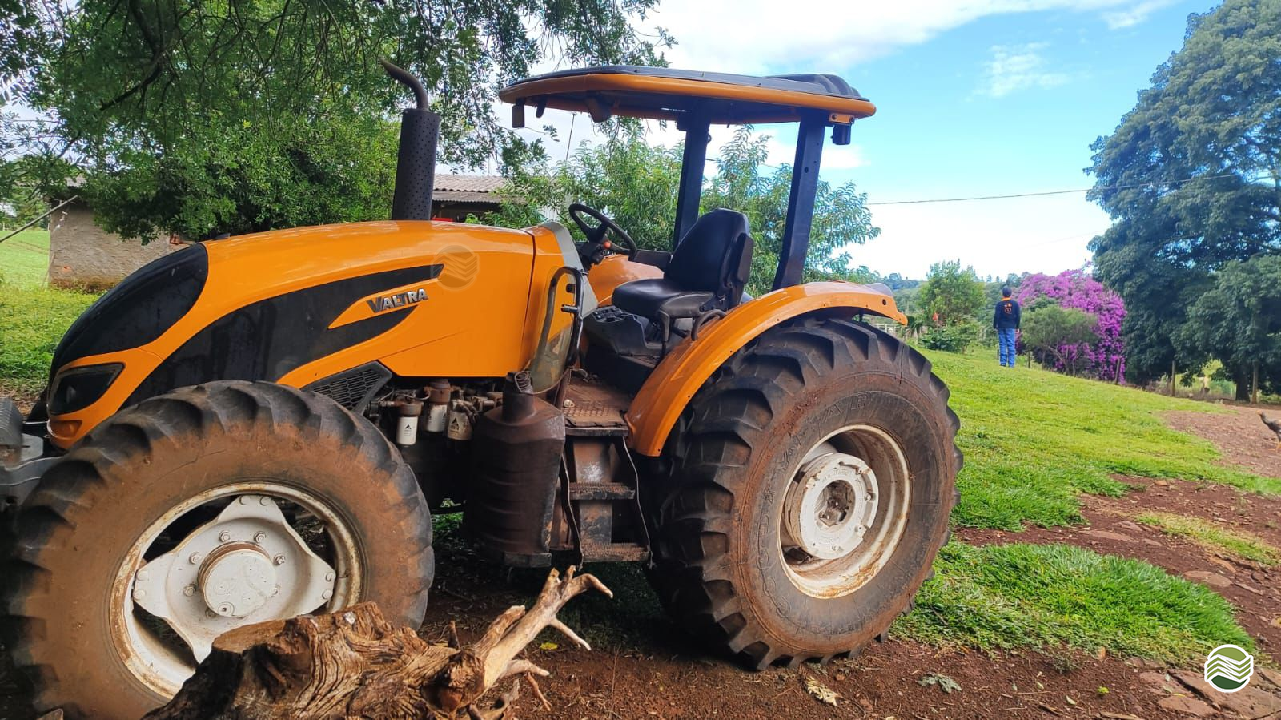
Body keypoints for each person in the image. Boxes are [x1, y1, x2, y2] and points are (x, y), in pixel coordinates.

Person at [993, 287, 1020, 368]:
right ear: (1010, 294)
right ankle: (1011, 364)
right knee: (1011, 344)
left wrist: (995, 325)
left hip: (1001, 326)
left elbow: (996, 316)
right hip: (1011, 326)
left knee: (1002, 344)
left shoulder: (999, 304)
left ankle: (1003, 362)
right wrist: (1017, 326)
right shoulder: (1015, 304)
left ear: (1002, 294)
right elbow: (1018, 316)